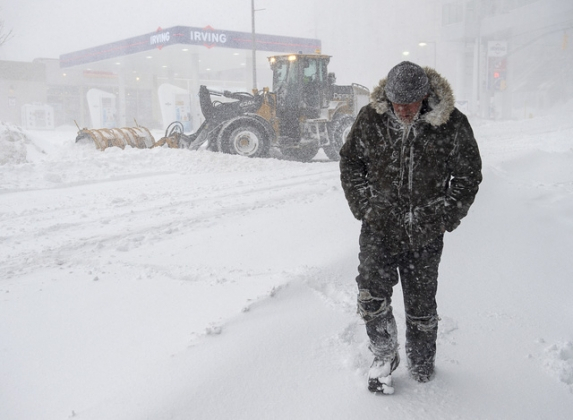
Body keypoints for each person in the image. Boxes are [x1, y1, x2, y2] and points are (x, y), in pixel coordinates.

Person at [339, 61, 482, 394]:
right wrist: (364, 205)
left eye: (409, 103)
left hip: (425, 233)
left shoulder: (451, 125)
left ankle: (422, 361)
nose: (402, 110)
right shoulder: (370, 119)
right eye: (396, 103)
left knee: (420, 305)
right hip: (379, 228)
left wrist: (444, 216)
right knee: (371, 296)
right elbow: (350, 163)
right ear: (387, 97)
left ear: (426, 96)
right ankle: (384, 356)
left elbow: (468, 175)